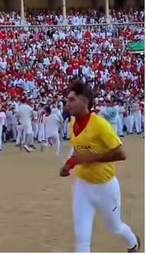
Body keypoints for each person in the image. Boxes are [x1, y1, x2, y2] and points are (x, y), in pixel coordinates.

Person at [60, 81, 140, 253]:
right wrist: (69, 164)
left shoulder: (100, 125)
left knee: (115, 227)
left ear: (85, 102)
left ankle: (133, 244)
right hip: (82, 185)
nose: (67, 104)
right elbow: (77, 150)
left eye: (72, 100)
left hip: (105, 187)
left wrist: (91, 158)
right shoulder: (73, 125)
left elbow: (120, 153)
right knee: (82, 239)